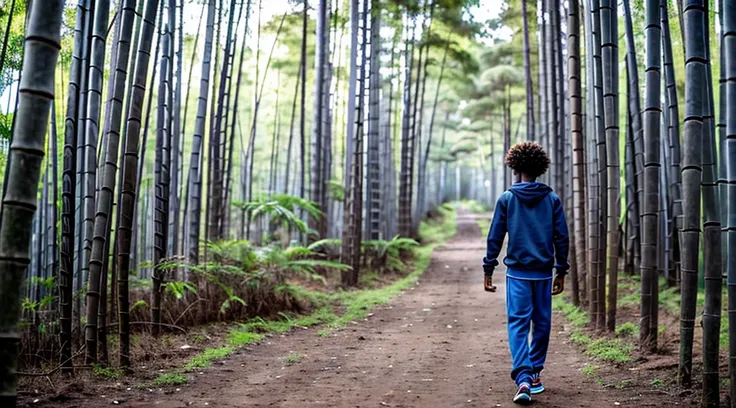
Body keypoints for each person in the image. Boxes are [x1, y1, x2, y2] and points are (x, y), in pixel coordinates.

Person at [482, 141, 569, 405]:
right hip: (543, 274)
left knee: (518, 324)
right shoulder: (551, 199)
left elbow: (495, 237)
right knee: (541, 324)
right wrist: (561, 270)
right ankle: (535, 373)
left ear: (514, 167)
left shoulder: (507, 198)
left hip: (517, 274)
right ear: (540, 168)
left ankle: (523, 377)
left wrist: (489, 267)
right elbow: (561, 237)